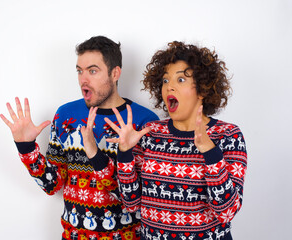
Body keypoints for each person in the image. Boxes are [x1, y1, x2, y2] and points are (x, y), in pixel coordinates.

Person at [0, 36, 159, 240]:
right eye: (79, 70)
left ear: (115, 73)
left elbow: (142, 200)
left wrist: (96, 154)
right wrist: (26, 147)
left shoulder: (144, 122)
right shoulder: (66, 115)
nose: (83, 79)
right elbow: (52, 185)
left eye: (93, 71)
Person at [104, 41, 247, 240]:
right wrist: (125, 152)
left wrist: (210, 151)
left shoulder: (228, 135)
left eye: (180, 80)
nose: (169, 86)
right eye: (165, 80)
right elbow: (132, 204)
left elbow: (227, 212)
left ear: (203, 90)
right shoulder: (150, 132)